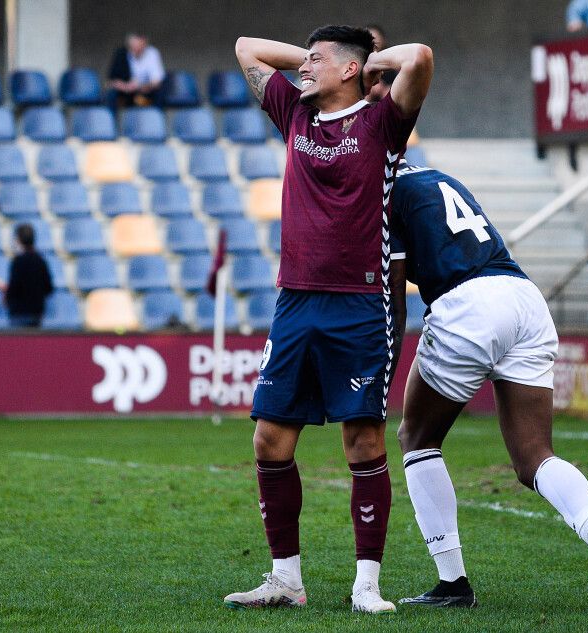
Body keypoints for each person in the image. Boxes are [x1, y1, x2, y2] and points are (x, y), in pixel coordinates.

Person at [222, 25, 431, 613]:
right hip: (295, 300)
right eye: (303, 60)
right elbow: (246, 47)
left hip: (360, 303)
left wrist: (364, 67)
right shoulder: (295, 114)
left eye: (316, 61)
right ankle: (285, 579)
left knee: (362, 441)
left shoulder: (383, 124)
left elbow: (417, 57)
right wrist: (317, 60)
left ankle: (368, 584)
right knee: (268, 438)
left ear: (350, 71)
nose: (302, 69)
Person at [381, 153, 588, 615]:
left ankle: (452, 582)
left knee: (416, 437)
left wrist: (381, 377)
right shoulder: (439, 175)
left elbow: (396, 304)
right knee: (534, 457)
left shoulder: (382, 190)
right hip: (523, 297)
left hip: (467, 304)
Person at [0, 223, 53, 328]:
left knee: (20, 344)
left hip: (19, 315)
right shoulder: (41, 261)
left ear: (18, 240)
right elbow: (49, 288)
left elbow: (13, 289)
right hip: (37, 314)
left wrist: (3, 288)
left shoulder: (18, 262)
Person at [107, 33, 165, 110]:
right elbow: (109, 82)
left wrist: (140, 86)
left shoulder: (152, 53)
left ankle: (157, 118)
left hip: (145, 93)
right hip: (126, 93)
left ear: (144, 43)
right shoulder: (121, 54)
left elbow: (157, 82)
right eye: (133, 46)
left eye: (139, 45)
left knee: (159, 93)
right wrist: (125, 86)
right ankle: (111, 120)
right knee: (111, 94)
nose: (136, 49)